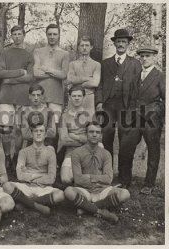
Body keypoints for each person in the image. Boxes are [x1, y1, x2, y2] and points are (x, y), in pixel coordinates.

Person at [95, 29, 142, 188]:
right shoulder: (105, 63)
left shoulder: (135, 63)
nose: (121, 44)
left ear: (128, 44)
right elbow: (100, 85)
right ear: (114, 43)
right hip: (108, 105)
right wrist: (99, 102)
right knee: (106, 139)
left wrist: (135, 108)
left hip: (126, 107)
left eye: (124, 42)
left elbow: (137, 87)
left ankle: (124, 179)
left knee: (126, 143)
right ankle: (107, 176)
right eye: (118, 41)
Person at [120, 46, 165, 195]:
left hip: (152, 119)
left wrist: (158, 113)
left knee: (153, 150)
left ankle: (149, 183)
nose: (144, 59)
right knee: (126, 146)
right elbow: (130, 98)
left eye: (147, 56)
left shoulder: (160, 76)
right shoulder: (136, 76)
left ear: (154, 58)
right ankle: (125, 180)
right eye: (142, 56)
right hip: (134, 117)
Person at [64, 121, 131, 223]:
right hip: (85, 191)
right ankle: (100, 211)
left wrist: (90, 177)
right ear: (86, 134)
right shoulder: (76, 153)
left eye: (97, 132)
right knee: (68, 191)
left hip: (102, 190)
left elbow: (108, 179)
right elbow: (78, 179)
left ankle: (86, 208)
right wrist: (98, 180)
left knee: (125, 194)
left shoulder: (106, 153)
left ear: (101, 135)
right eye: (91, 132)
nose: (94, 134)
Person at [3, 123, 65, 216]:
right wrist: (34, 177)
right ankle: (37, 206)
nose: (38, 133)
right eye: (36, 131)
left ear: (45, 134)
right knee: (7, 186)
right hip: (26, 187)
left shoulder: (51, 153)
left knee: (60, 195)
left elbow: (51, 178)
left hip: (43, 188)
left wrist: (31, 177)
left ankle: (25, 203)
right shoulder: (23, 152)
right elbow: (20, 175)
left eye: (41, 131)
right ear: (31, 134)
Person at [0, 25, 34, 170]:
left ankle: (17, 156)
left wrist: (10, 78)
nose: (17, 36)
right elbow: (0, 73)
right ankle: (7, 157)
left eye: (20, 34)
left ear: (24, 35)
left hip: (22, 96)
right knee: (5, 129)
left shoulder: (28, 54)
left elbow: (30, 77)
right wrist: (19, 72)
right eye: (14, 34)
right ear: (11, 36)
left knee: (19, 130)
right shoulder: (5, 52)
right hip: (6, 96)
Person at [33, 23, 70, 144]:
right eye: (50, 34)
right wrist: (55, 73)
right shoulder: (38, 51)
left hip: (56, 96)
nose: (52, 37)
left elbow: (64, 75)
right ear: (46, 35)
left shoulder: (64, 54)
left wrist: (46, 69)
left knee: (53, 128)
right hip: (40, 96)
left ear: (59, 35)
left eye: (55, 34)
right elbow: (36, 73)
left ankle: (52, 159)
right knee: (38, 125)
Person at [59, 86, 92, 184]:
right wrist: (83, 140)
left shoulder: (90, 115)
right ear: (69, 97)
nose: (76, 98)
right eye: (74, 96)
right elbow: (64, 140)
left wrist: (74, 136)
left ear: (83, 97)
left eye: (79, 96)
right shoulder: (64, 116)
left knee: (87, 180)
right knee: (65, 179)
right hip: (70, 153)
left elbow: (94, 139)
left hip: (87, 152)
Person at [67, 36, 101, 117]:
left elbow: (95, 83)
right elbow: (70, 79)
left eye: (87, 45)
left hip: (89, 97)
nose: (84, 48)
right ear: (78, 47)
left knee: (89, 122)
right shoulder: (72, 64)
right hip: (75, 97)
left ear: (91, 47)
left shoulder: (96, 64)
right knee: (73, 122)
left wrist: (78, 84)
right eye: (82, 45)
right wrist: (87, 79)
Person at [20, 85, 56, 149]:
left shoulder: (49, 111)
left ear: (42, 96)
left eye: (38, 95)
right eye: (33, 95)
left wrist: (35, 133)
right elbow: (25, 134)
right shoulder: (25, 113)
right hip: (31, 144)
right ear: (29, 96)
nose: (36, 98)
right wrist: (41, 133)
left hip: (46, 144)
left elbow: (52, 133)